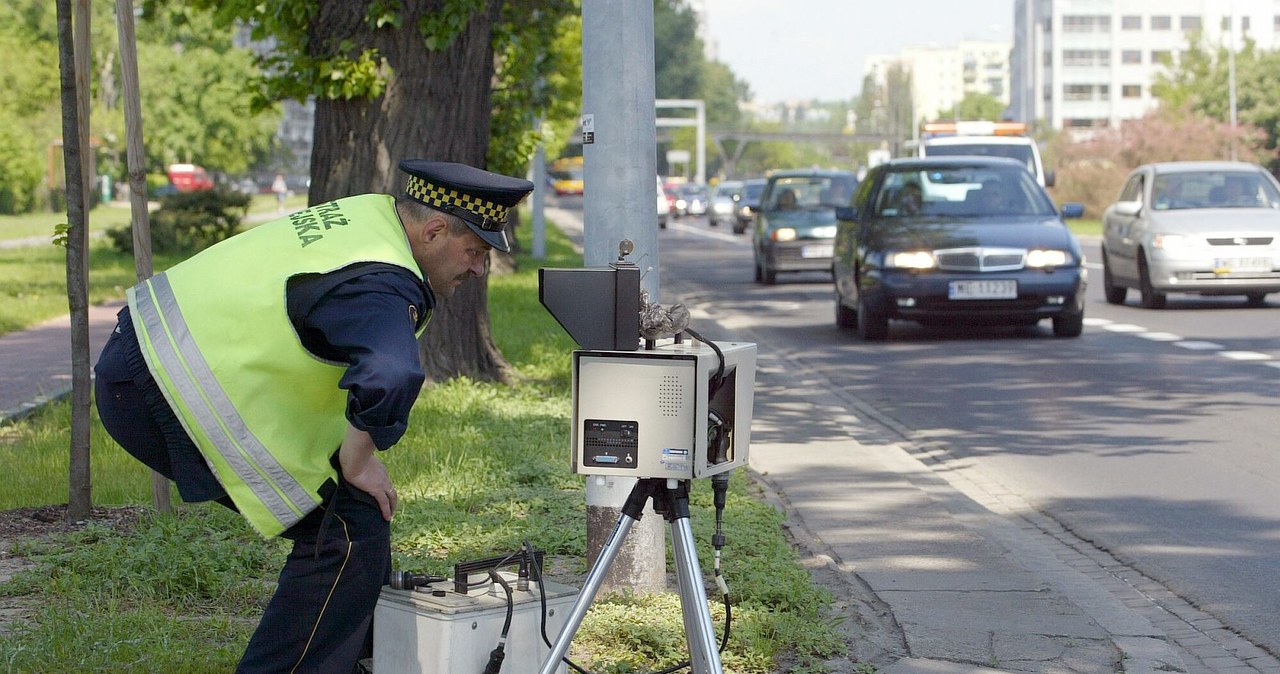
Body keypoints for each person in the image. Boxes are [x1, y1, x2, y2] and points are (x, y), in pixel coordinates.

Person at [93, 159, 534, 673]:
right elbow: (390, 373)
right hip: (161, 392)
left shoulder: (370, 218)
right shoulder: (386, 280)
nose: (479, 269)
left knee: (356, 524)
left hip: (143, 357)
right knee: (347, 530)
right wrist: (358, 459)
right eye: (475, 251)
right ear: (434, 230)